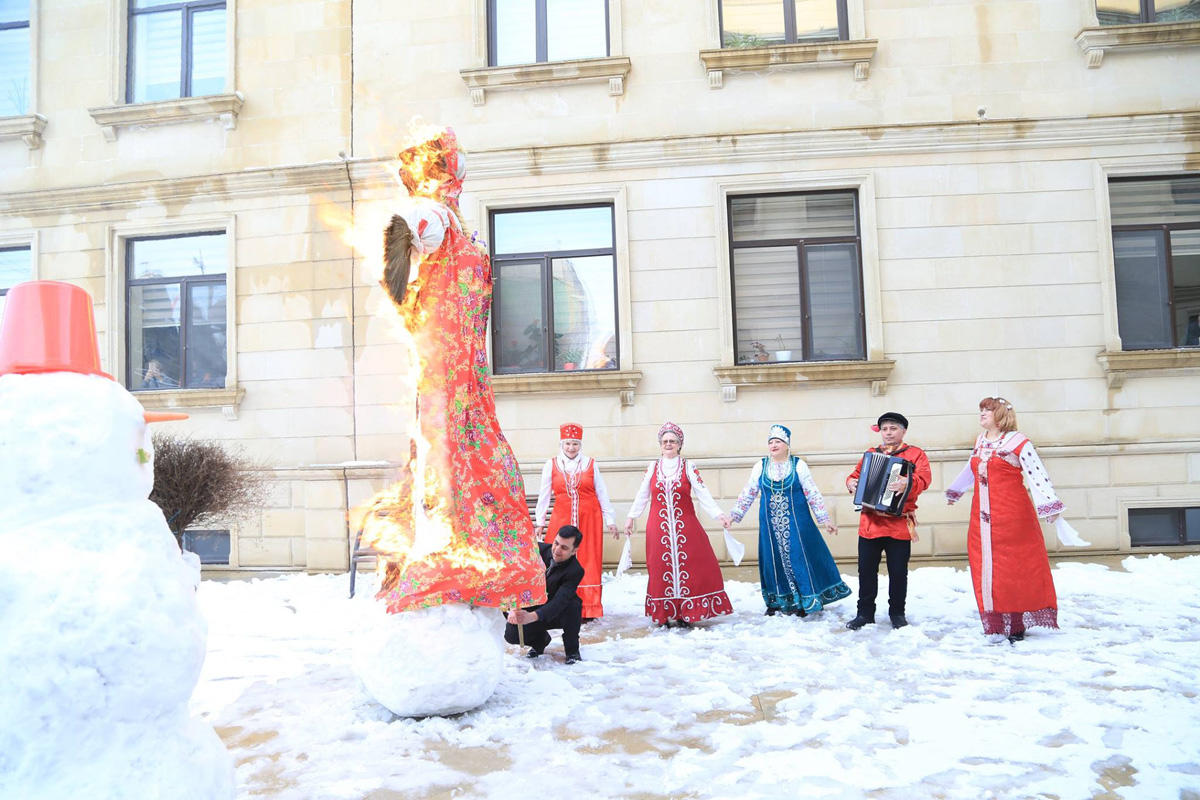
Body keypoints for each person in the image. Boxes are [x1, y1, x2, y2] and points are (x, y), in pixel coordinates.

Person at [945, 397, 1064, 643]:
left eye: (987, 410)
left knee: (1012, 568)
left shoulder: (1018, 442)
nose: (982, 414)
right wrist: (956, 491)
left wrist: (1049, 505)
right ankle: (996, 621)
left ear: (1001, 415)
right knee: (985, 567)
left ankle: (1016, 623)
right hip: (981, 517)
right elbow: (972, 468)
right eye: (981, 410)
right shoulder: (980, 441)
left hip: (1013, 516)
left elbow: (1037, 473)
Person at [725, 424, 850, 617]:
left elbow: (812, 493)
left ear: (787, 445)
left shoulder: (798, 465)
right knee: (772, 560)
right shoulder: (761, 466)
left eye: (778, 442)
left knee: (798, 558)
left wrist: (825, 519)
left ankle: (805, 600)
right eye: (771, 442)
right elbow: (748, 493)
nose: (774, 445)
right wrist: (734, 515)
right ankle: (777, 601)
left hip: (797, 523)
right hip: (769, 524)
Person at [625, 422, 733, 627]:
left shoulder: (688, 466)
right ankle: (664, 614)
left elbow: (703, 493)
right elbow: (642, 494)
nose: (668, 444)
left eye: (672, 441)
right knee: (659, 566)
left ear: (679, 444)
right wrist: (631, 516)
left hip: (686, 525)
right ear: (660, 444)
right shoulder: (653, 467)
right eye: (665, 441)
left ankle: (686, 613)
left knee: (691, 566)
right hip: (658, 526)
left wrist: (718, 514)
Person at [844, 412, 932, 630]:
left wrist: (907, 482)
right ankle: (864, 613)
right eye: (885, 429)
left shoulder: (915, 454)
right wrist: (851, 483)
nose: (888, 432)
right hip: (870, 523)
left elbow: (925, 479)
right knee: (866, 571)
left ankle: (897, 614)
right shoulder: (870, 454)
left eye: (893, 428)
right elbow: (854, 475)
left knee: (898, 572)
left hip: (899, 523)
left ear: (903, 431)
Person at [534, 423, 619, 621]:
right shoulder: (552, 464)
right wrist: (540, 521)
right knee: (559, 558)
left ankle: (587, 608)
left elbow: (602, 492)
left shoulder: (590, 463)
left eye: (575, 444)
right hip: (561, 518)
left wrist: (610, 519)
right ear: (562, 444)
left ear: (580, 445)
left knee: (588, 560)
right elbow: (544, 494)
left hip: (589, 518)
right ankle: (557, 605)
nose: (571, 448)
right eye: (568, 444)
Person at [505, 526, 586, 664]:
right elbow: (515, 573)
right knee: (511, 636)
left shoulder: (575, 571)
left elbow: (559, 602)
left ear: (574, 551)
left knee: (573, 605)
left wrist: (530, 617)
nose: (557, 550)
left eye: (564, 548)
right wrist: (513, 607)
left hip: (557, 611)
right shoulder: (537, 550)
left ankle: (572, 651)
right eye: (556, 543)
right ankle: (540, 640)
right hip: (533, 603)